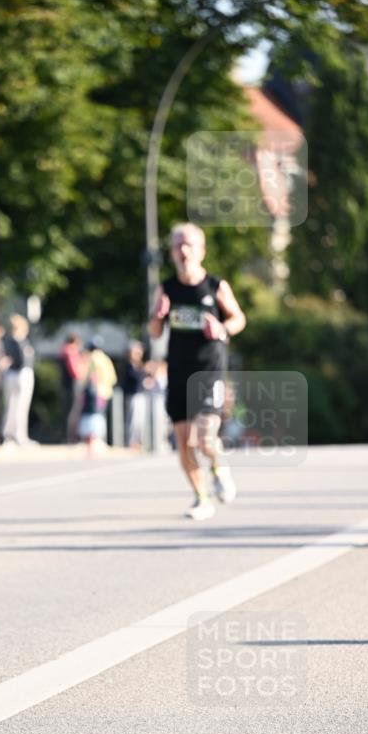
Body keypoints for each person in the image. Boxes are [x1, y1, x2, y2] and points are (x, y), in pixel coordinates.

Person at [150, 222, 246, 520]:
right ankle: (201, 498)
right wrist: (158, 316)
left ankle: (219, 467)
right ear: (171, 252)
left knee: (204, 438)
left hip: (208, 371)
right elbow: (154, 332)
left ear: (201, 251)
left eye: (188, 244)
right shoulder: (166, 289)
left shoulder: (215, 286)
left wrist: (222, 329)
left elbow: (239, 319)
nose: (183, 250)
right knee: (183, 441)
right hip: (178, 372)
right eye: (178, 245)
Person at [78, 336, 117, 456]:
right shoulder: (106, 358)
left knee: (91, 416)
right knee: (99, 416)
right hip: (105, 392)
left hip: (94, 392)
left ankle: (92, 443)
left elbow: (87, 376)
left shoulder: (92, 358)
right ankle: (98, 441)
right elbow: (113, 378)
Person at [2, 314, 35, 445]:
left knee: (15, 406)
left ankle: (14, 433)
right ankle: (15, 434)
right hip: (20, 374)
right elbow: (21, 360)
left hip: (16, 374)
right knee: (18, 406)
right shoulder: (17, 341)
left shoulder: (13, 341)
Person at [122, 340, 153, 450]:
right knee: (133, 421)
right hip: (133, 395)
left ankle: (138, 441)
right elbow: (136, 377)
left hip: (141, 395)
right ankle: (131, 442)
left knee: (140, 421)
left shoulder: (139, 365)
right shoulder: (128, 365)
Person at [59, 332, 85, 443]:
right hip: (72, 385)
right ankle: (71, 437)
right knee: (73, 411)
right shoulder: (70, 352)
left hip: (65, 385)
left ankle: (67, 436)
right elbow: (75, 371)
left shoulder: (63, 351)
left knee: (67, 410)